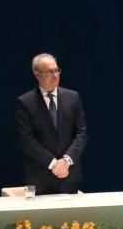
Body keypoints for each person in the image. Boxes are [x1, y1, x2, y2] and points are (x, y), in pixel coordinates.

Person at [15, 53, 88, 195]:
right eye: (49, 72)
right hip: (40, 177)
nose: (55, 75)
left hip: (69, 175)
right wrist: (54, 164)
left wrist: (66, 161)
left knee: (70, 217)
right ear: (37, 74)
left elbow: (82, 134)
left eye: (56, 70)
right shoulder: (25, 102)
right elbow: (27, 140)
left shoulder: (73, 97)